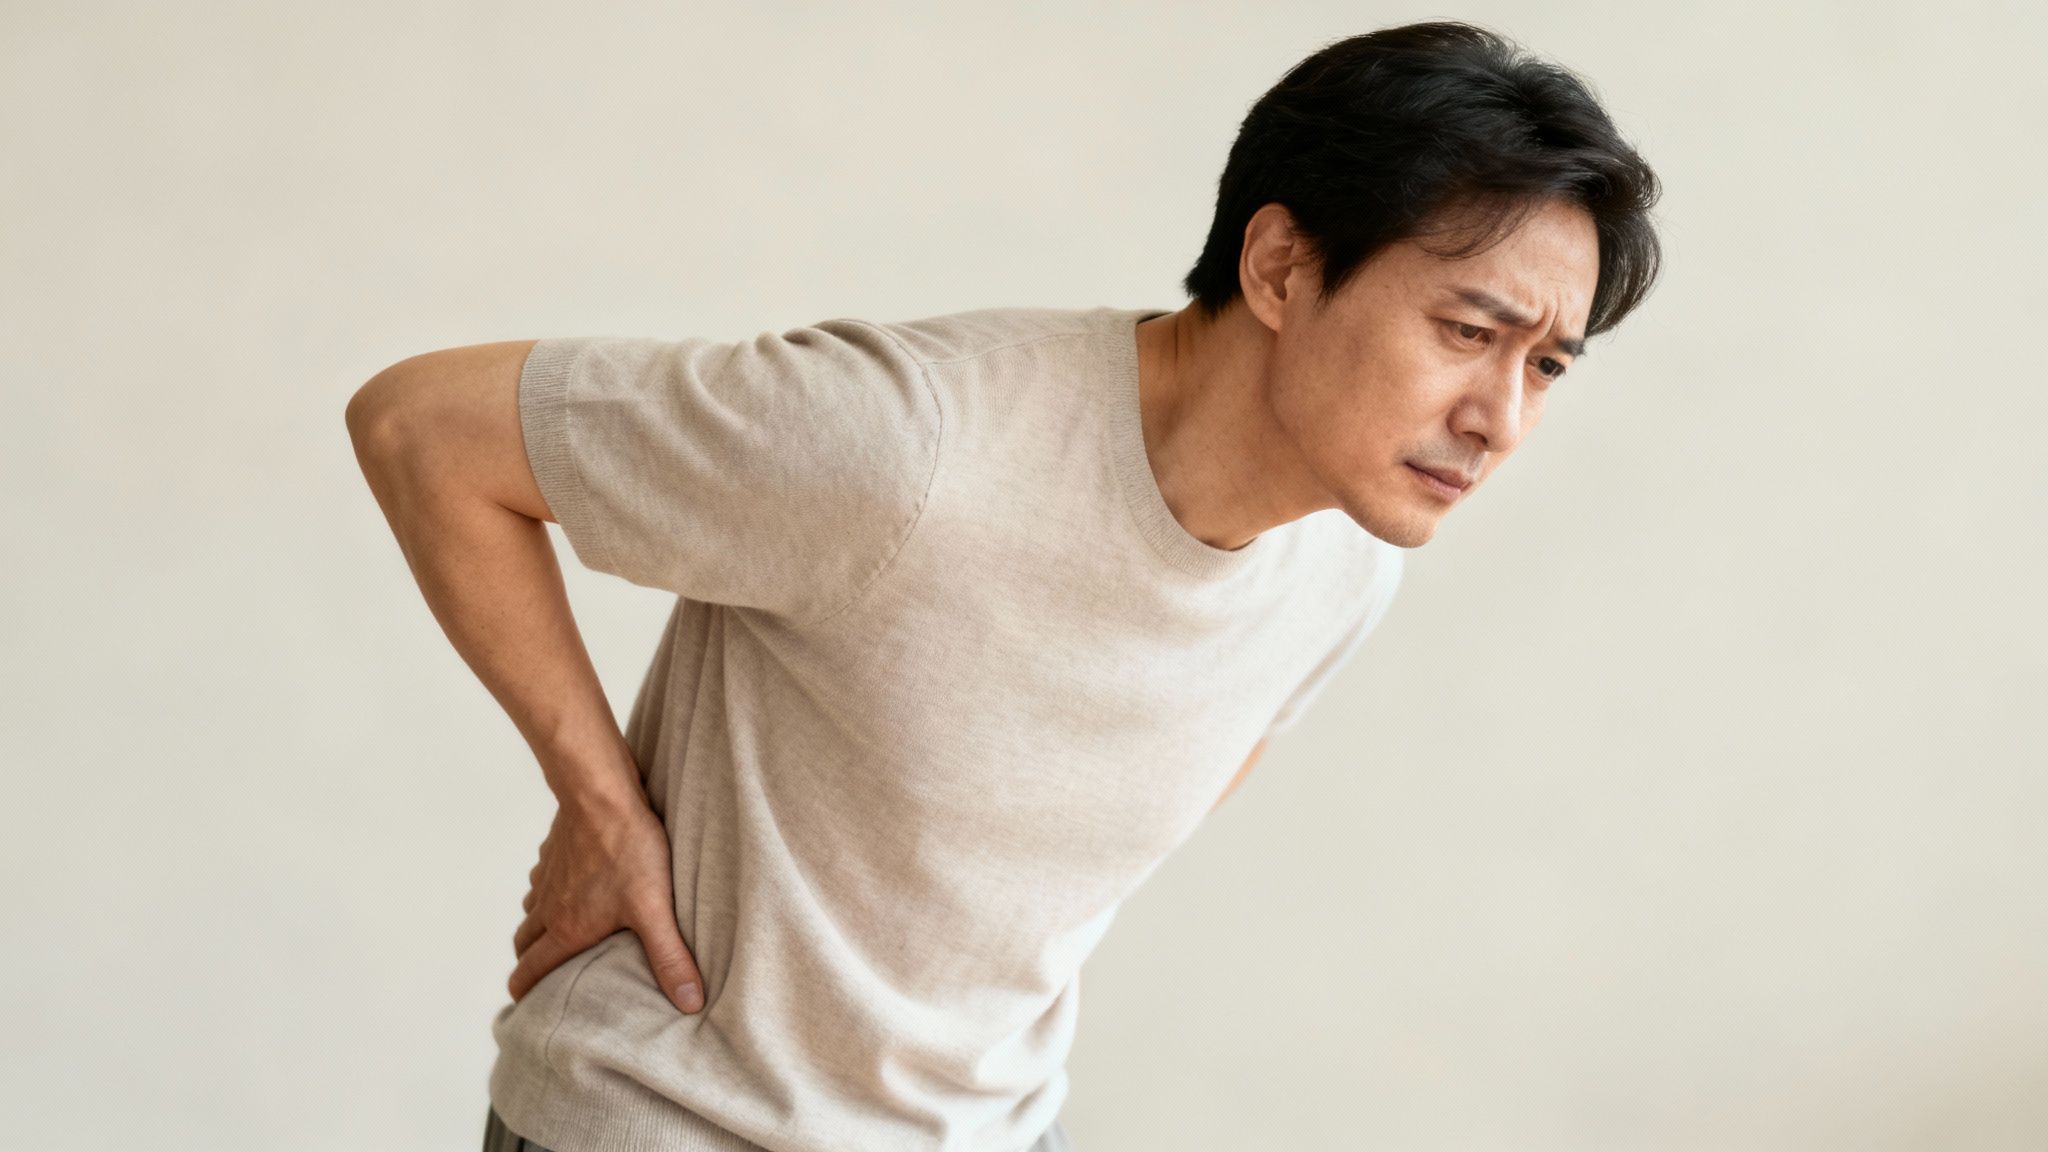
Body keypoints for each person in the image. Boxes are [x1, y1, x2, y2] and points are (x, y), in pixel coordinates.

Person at [347, 18, 1660, 1152]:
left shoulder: (1349, 554)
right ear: (1279, 268)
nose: (1498, 416)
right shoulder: (910, 445)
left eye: (1547, 365)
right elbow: (424, 430)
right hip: (671, 1112)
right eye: (1469, 331)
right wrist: (605, 801)